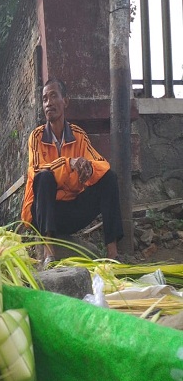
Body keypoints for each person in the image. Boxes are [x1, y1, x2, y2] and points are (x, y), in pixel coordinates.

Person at [21, 78, 124, 267]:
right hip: (42, 214)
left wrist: (89, 167)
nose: (49, 103)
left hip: (71, 212)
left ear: (65, 101)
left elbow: (102, 164)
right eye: (44, 99)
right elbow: (36, 171)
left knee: (109, 178)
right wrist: (70, 163)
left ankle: (112, 254)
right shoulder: (36, 137)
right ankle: (49, 254)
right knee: (44, 177)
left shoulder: (78, 135)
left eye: (53, 96)